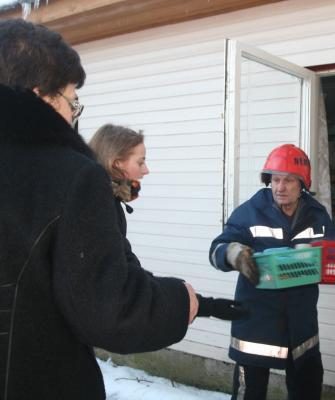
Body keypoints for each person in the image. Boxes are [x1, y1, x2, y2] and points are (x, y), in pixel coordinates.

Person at [0, 19, 240, 400]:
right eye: (71, 100)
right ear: (42, 98)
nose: (73, 114)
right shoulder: (72, 178)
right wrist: (180, 301)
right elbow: (108, 304)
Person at [209, 144, 335, 400]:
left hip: (301, 324)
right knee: (250, 395)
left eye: (289, 180)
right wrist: (233, 254)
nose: (280, 187)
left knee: (307, 390)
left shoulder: (318, 216)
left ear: (303, 183)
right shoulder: (250, 212)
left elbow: (331, 256)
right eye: (275, 180)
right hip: (256, 321)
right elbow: (216, 249)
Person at [88, 122, 244, 320]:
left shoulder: (106, 201)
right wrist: (189, 300)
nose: (146, 170)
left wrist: (204, 305)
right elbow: (124, 276)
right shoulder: (100, 208)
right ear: (117, 163)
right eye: (140, 162)